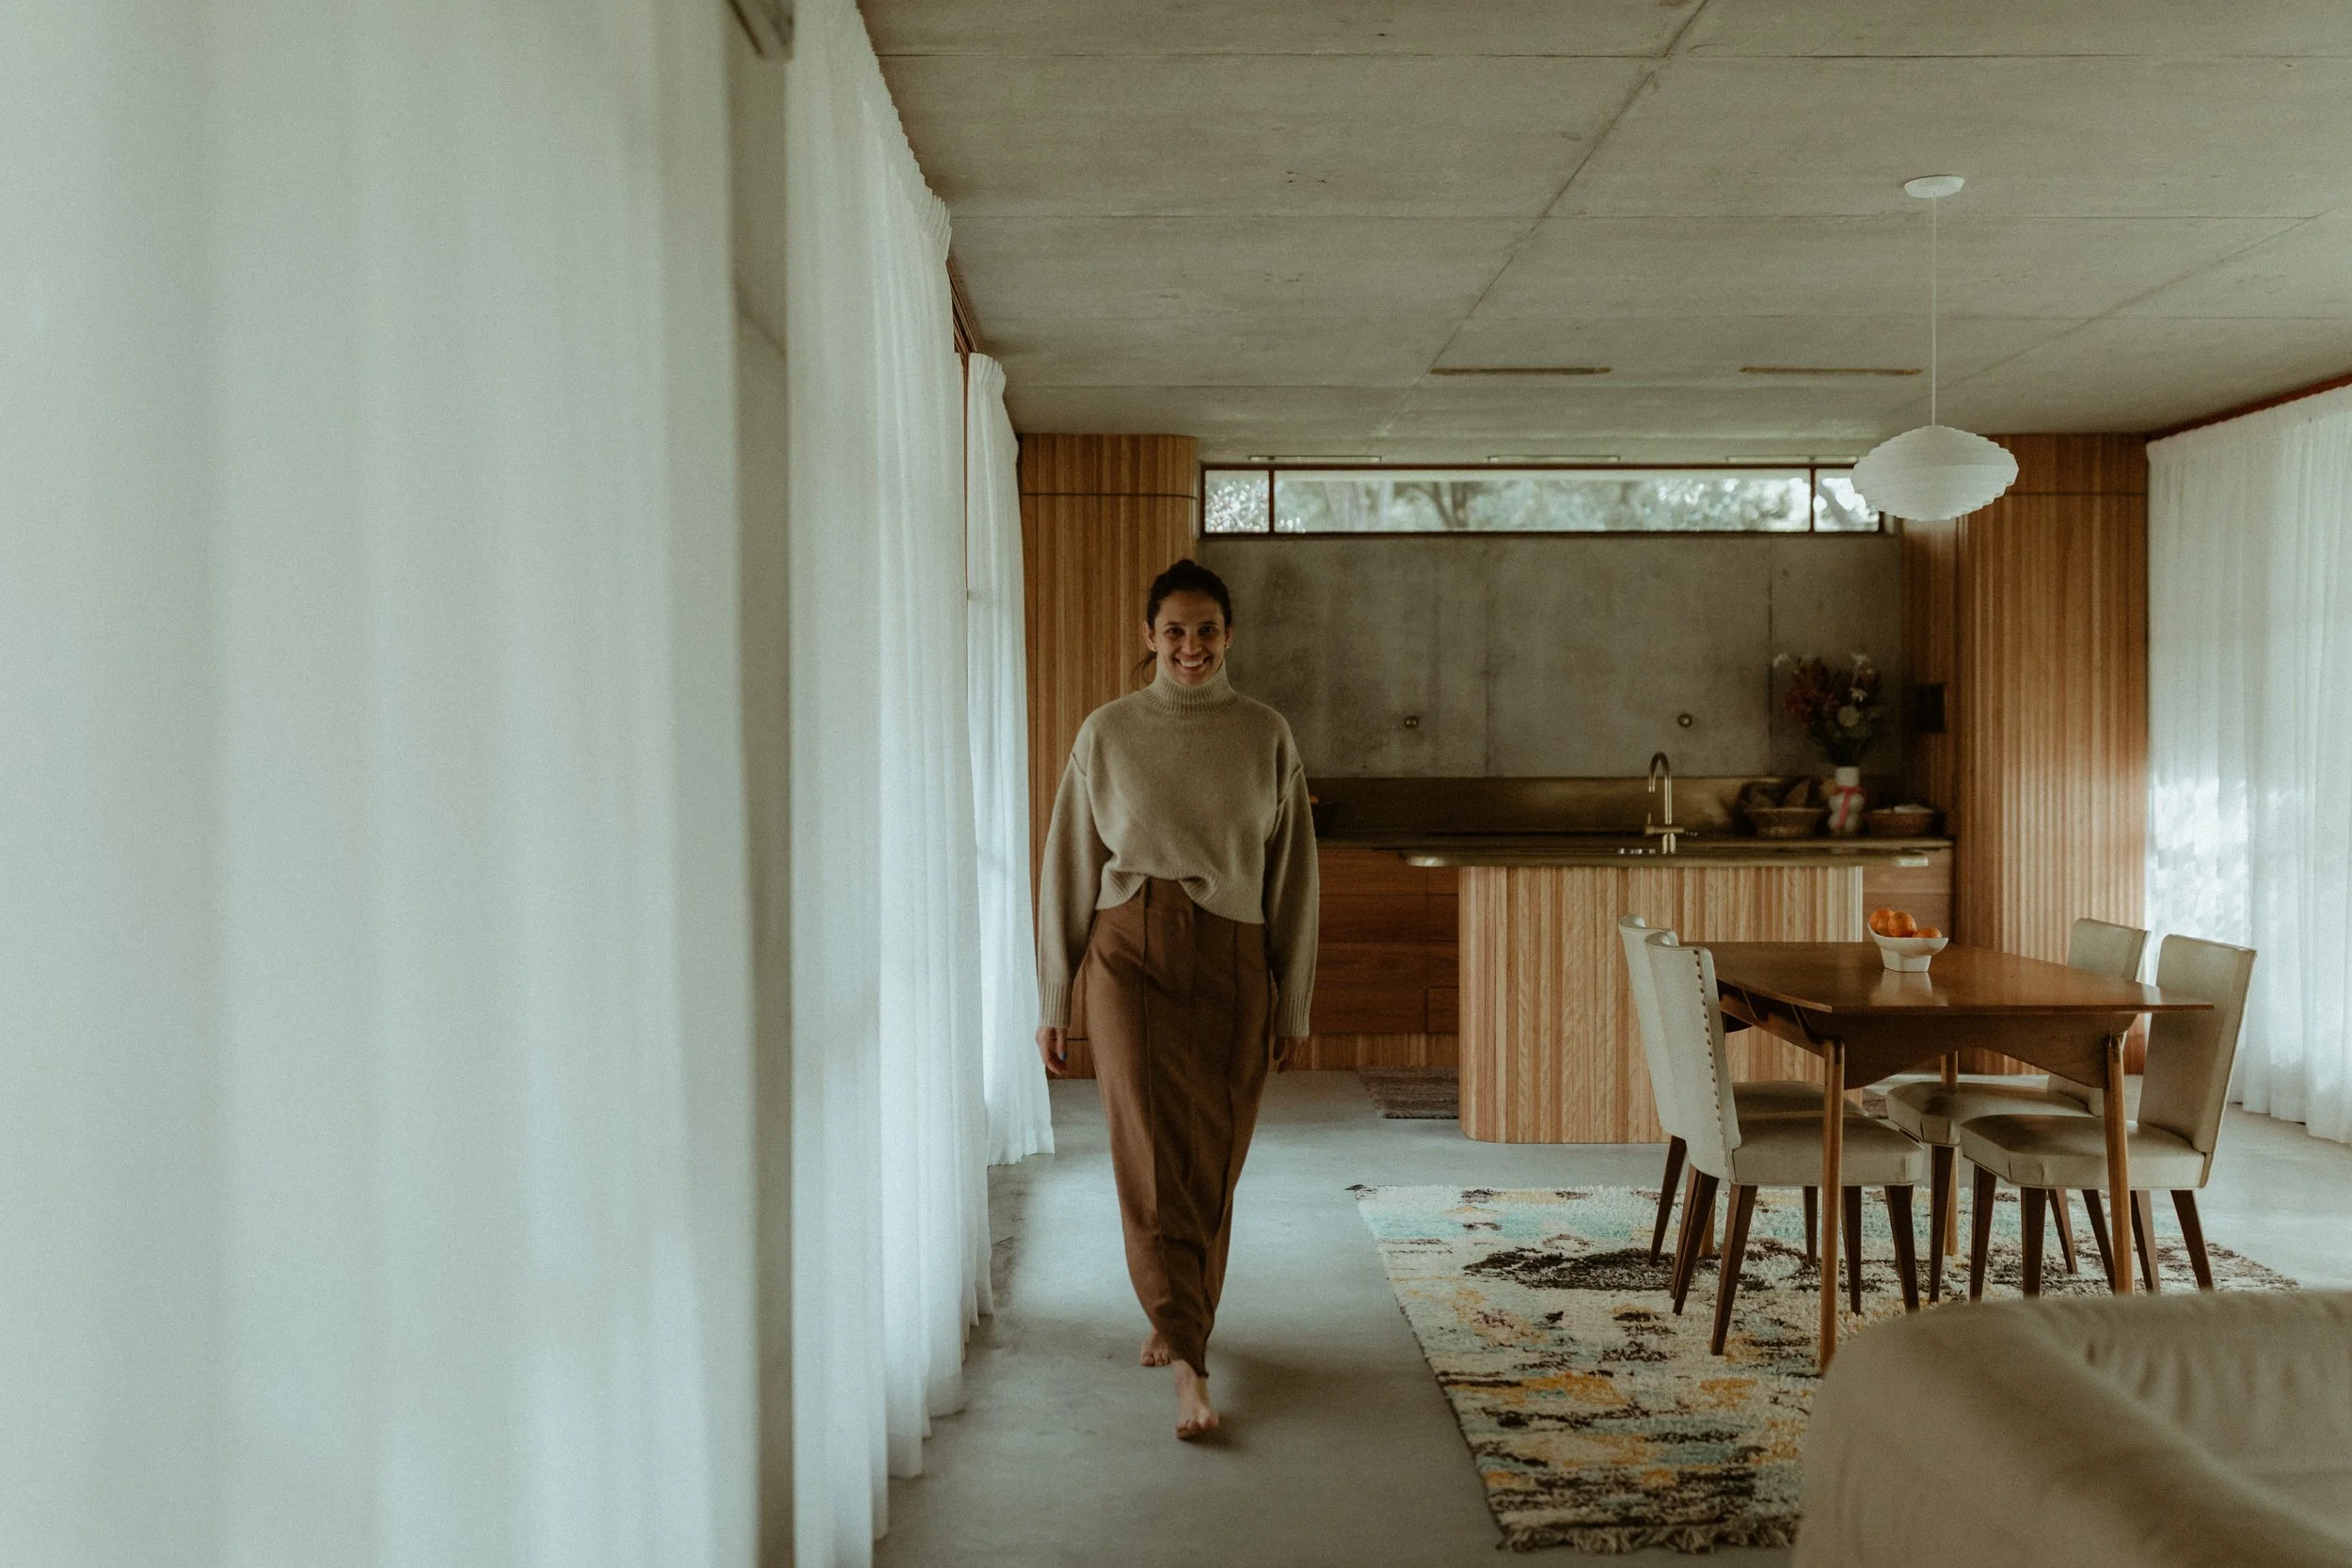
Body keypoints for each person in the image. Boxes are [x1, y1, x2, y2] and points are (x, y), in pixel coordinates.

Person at [1034, 558, 1318, 1439]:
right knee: (1151, 1149)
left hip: (1234, 954)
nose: (1190, 646)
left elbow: (1294, 878)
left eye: (1205, 630)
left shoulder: (1266, 734)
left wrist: (1293, 1000)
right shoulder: (1107, 732)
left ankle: (1176, 1310)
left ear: (1228, 636)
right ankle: (1191, 1363)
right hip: (1129, 952)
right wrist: (1055, 992)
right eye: (1173, 631)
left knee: (1213, 1152)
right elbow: (1068, 867)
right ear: (1148, 637)